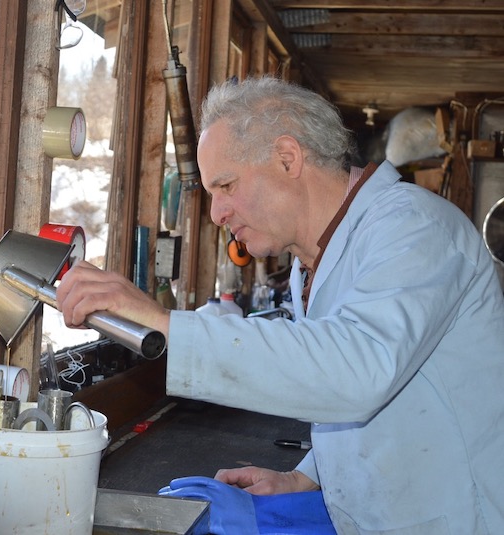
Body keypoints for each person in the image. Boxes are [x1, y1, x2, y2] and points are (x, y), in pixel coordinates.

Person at [56, 76, 504, 534]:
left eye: (226, 185)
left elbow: (357, 371)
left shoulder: (414, 228)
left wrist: (162, 322)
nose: (216, 214)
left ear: (288, 158)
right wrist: (306, 475)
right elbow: (362, 396)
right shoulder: (311, 260)